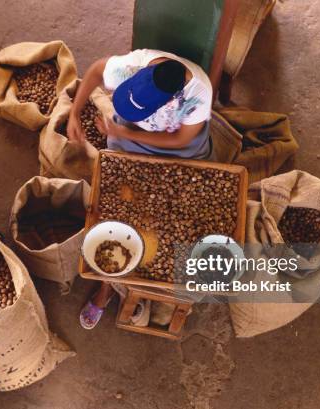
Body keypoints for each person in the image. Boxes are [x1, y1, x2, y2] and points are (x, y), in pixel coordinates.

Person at [67, 49, 213, 329]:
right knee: (117, 207)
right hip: (131, 138)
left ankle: (145, 281)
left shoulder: (199, 93)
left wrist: (123, 133)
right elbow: (97, 70)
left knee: (177, 213)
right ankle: (109, 286)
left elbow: (181, 140)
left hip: (178, 148)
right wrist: (75, 113)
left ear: (170, 101)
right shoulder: (133, 65)